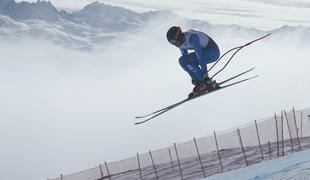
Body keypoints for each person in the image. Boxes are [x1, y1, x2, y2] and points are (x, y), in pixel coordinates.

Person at [166, 26, 220, 98]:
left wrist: (204, 73)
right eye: (171, 43)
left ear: (178, 36)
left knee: (184, 60)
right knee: (182, 61)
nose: (174, 44)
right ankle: (201, 83)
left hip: (213, 52)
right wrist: (194, 78)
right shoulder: (180, 43)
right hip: (205, 53)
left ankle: (206, 83)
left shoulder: (192, 38)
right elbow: (186, 61)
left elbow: (200, 56)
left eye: (173, 41)